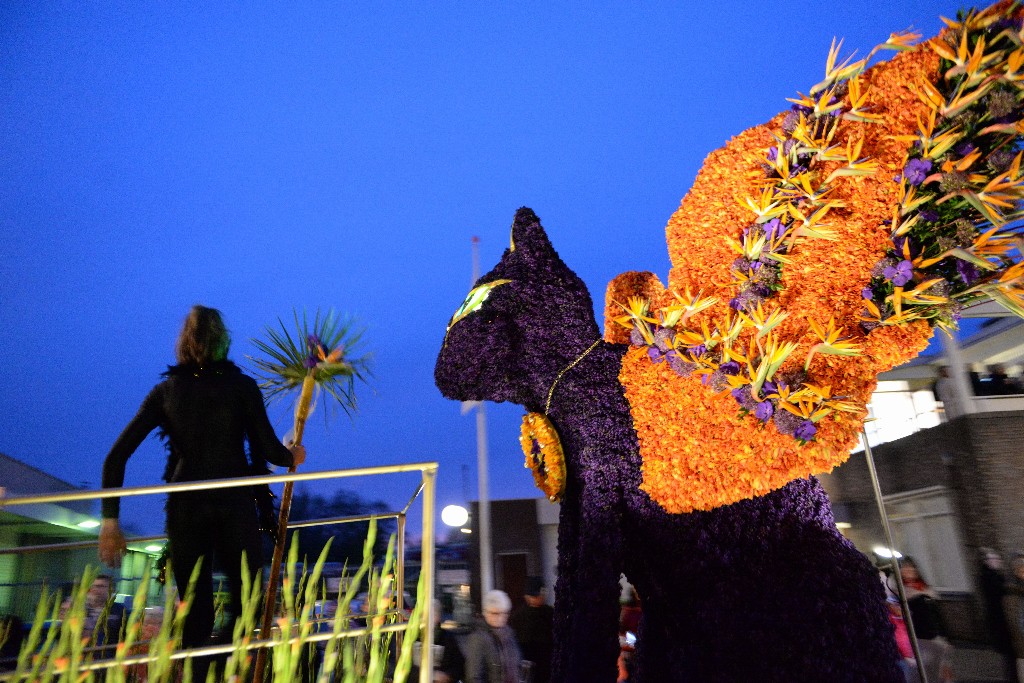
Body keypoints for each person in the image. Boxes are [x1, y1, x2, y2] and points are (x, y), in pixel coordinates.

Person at [97, 305, 304, 681]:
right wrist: (294, 453)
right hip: (233, 501)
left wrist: (110, 521)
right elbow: (271, 450)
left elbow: (116, 457)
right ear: (223, 339)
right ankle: (219, 668)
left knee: (194, 608)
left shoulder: (166, 391)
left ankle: (199, 673)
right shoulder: (241, 387)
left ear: (184, 341)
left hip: (186, 504)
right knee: (248, 599)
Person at [979, 548, 1019, 683]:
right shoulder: (989, 578)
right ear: (986, 562)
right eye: (992, 559)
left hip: (1004, 626)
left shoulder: (997, 576)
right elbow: (1002, 594)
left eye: (997, 558)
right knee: (1011, 659)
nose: (996, 561)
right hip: (1003, 627)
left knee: (1011, 659)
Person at [465, 590, 522, 683]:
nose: (501, 617)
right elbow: (473, 677)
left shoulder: (509, 634)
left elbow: (518, 664)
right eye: (495, 613)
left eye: (505, 613)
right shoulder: (478, 638)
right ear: (486, 613)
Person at [410, 599, 466, 683]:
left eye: (432, 615)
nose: (427, 619)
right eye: (424, 615)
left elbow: (459, 665)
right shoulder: (412, 637)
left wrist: (447, 675)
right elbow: (406, 666)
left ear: (438, 617)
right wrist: (432, 675)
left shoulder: (448, 638)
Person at [510, 577, 553, 683]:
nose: (538, 598)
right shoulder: (518, 616)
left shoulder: (550, 613)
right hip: (529, 667)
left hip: (547, 665)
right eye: (535, 595)